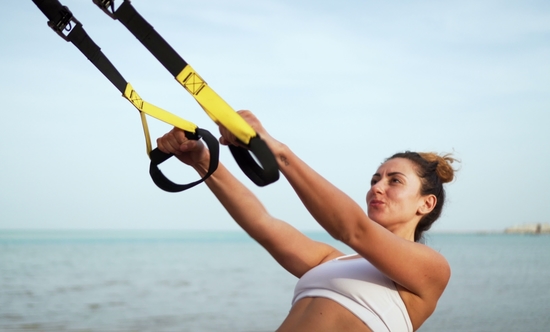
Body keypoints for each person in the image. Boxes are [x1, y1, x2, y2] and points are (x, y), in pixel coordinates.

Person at [157, 110, 458, 332]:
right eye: (375, 179)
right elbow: (263, 224)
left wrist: (277, 151)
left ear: (426, 203)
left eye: (395, 181)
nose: (377, 187)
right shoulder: (333, 261)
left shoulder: (431, 270)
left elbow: (352, 229)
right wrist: (201, 159)